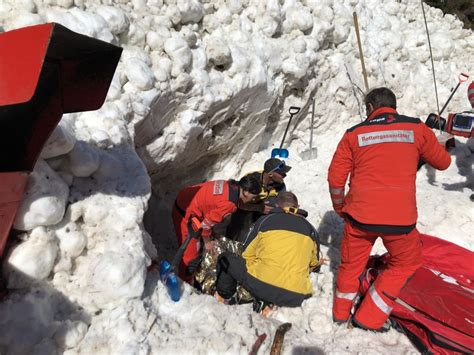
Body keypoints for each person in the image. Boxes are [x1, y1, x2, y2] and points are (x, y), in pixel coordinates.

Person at [328, 87, 451, 331]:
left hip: (359, 217)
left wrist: (341, 207)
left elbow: (335, 178)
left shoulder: (354, 134)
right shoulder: (416, 129)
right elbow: (444, 162)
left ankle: (340, 313)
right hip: (400, 221)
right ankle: (369, 317)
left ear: (371, 108)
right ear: (393, 106)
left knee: (351, 265)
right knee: (406, 263)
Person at [215, 192, 321, 309]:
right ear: (297, 207)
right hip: (296, 295)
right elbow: (314, 265)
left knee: (225, 259)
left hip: (262, 285)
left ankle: (225, 298)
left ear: (277, 206)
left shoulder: (265, 221)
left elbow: (246, 254)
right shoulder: (312, 231)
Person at [172, 176, 261, 282]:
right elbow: (205, 225)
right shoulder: (229, 204)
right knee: (191, 258)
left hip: (185, 200)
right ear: (245, 192)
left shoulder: (229, 185)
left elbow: (212, 205)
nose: (254, 200)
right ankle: (184, 283)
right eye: (253, 197)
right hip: (186, 215)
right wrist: (207, 241)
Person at [225, 158, 292, 242]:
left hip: (261, 205)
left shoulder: (280, 184)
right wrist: (258, 208)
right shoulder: (251, 180)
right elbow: (237, 202)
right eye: (282, 173)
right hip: (245, 205)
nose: (285, 176)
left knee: (274, 208)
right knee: (238, 226)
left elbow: (282, 202)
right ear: (271, 174)